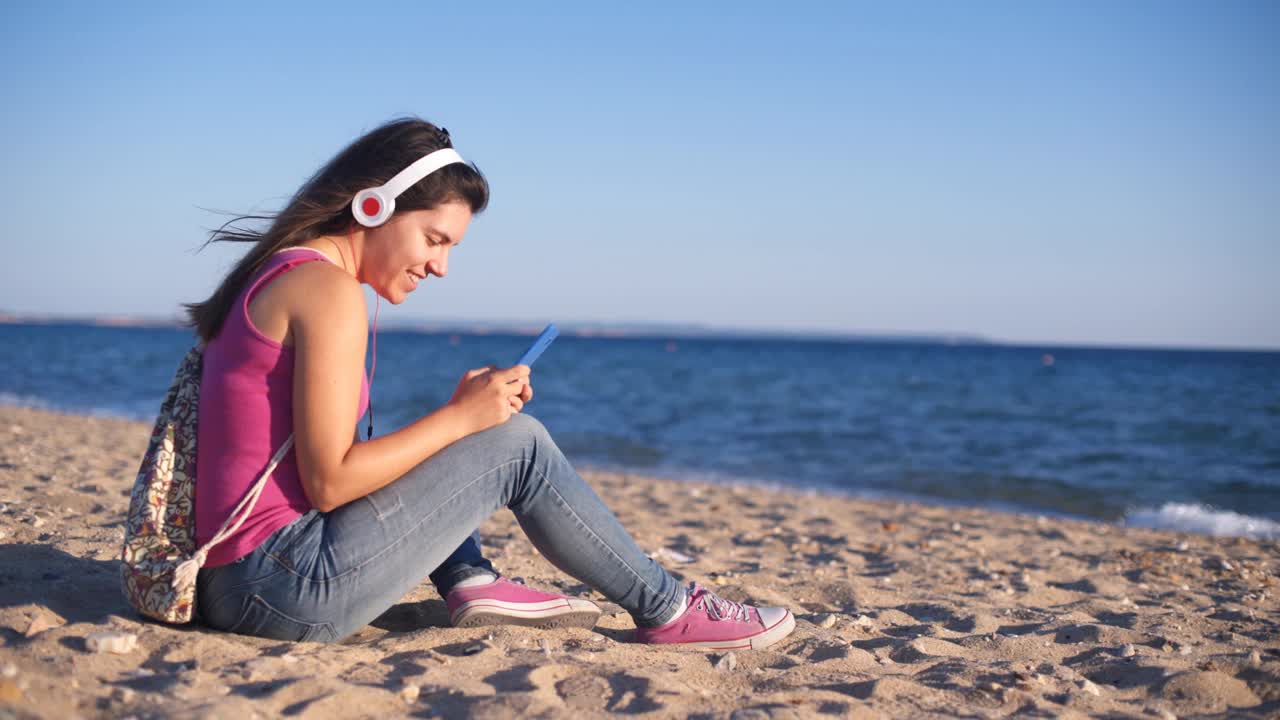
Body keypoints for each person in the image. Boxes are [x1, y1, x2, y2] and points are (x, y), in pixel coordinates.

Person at [185, 117, 796, 648]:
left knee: (465, 434)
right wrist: (461, 421)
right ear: (372, 207)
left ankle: (467, 577)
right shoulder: (328, 292)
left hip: (239, 578)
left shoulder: (287, 273)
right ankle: (669, 610)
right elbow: (330, 482)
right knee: (519, 444)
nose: (441, 266)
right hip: (279, 587)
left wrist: (460, 419)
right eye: (434, 239)